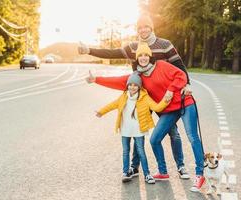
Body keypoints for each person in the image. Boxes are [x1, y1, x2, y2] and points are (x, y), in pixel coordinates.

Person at [80, 14, 191, 180]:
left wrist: (187, 84)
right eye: (140, 28)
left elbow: (179, 66)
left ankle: (181, 166)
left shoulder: (165, 45)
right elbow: (111, 53)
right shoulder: (133, 47)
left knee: (173, 132)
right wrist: (89, 50)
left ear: (151, 28)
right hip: (142, 97)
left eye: (146, 27)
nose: (143, 30)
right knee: (137, 131)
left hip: (164, 98)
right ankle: (134, 167)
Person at [87, 42, 205, 192]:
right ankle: (163, 171)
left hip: (185, 103)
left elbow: (180, 75)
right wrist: (96, 79)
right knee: (154, 139)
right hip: (169, 109)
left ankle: (200, 174)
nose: (143, 58)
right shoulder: (138, 76)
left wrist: (171, 89)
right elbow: (120, 81)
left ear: (150, 56)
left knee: (192, 137)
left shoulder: (161, 65)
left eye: (145, 55)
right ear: (136, 58)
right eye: (140, 55)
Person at [95, 72, 170, 184]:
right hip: (125, 129)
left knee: (141, 152)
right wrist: (101, 112)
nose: (132, 87)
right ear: (127, 86)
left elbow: (156, 107)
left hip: (139, 130)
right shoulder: (124, 97)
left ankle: (147, 174)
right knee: (126, 151)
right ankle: (125, 172)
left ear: (139, 86)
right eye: (130, 85)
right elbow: (112, 105)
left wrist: (165, 100)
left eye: (135, 85)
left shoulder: (144, 97)